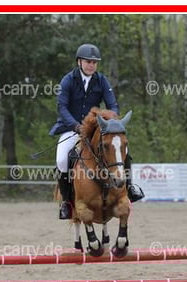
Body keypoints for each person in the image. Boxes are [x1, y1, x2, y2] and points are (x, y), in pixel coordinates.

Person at [49, 43, 144, 219]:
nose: (91, 65)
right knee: (62, 159)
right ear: (79, 62)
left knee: (124, 151)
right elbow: (62, 108)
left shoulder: (101, 80)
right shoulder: (68, 80)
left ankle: (130, 188)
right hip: (71, 129)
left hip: (95, 129)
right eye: (88, 62)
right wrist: (76, 126)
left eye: (94, 62)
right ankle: (67, 202)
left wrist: (112, 122)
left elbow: (112, 104)